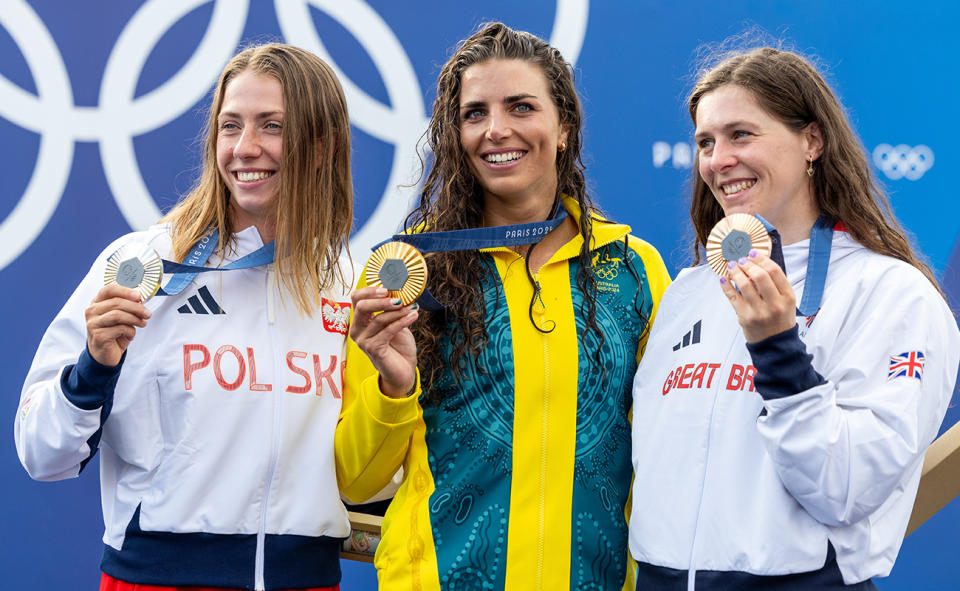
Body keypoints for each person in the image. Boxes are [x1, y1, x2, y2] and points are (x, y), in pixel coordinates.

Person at [337, 22, 671, 591]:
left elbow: (663, 462)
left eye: (520, 107)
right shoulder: (407, 271)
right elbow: (357, 479)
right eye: (474, 113)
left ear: (563, 127)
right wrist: (394, 387)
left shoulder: (634, 269)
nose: (496, 131)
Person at [15, 43, 355, 591]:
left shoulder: (343, 284)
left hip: (307, 579)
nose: (246, 148)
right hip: (161, 579)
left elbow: (366, 474)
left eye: (273, 127)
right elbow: (39, 451)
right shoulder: (144, 265)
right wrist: (92, 371)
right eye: (230, 126)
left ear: (321, 147)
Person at [628, 45, 960, 590]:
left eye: (741, 135)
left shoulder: (894, 295)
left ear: (812, 140)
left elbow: (846, 486)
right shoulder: (688, 292)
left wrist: (778, 348)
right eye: (706, 142)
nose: (717, 160)